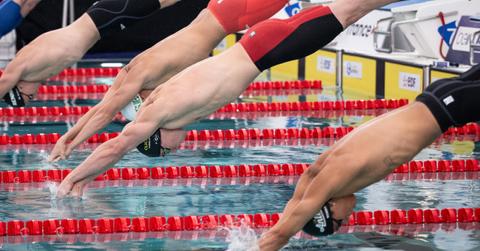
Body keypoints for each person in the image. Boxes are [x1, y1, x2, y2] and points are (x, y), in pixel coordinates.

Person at [55, 0, 399, 196]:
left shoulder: (159, 113)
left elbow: (115, 146)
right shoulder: (164, 99)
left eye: (168, 148)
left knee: (352, 9)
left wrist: (74, 178)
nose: (179, 145)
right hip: (258, 45)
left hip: (263, 47)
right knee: (352, 9)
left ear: (157, 137)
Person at [256, 63, 480, 250]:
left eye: (339, 222)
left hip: (449, 107)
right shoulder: (320, 169)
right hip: (439, 95)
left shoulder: (337, 175)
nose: (347, 218)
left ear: (328, 209)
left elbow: (280, 233)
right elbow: (297, 201)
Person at [47, 0, 290, 161]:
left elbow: (105, 114)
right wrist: (67, 140)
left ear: (142, 100)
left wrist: (72, 143)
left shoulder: (140, 76)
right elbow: (102, 108)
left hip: (232, 15)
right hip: (222, 11)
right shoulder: (131, 73)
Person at [0, 0, 181, 106]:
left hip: (101, 19)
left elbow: (5, 81)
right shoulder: (39, 71)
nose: (35, 95)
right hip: (102, 25)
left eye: (29, 96)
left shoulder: (24, 63)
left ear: (19, 87)